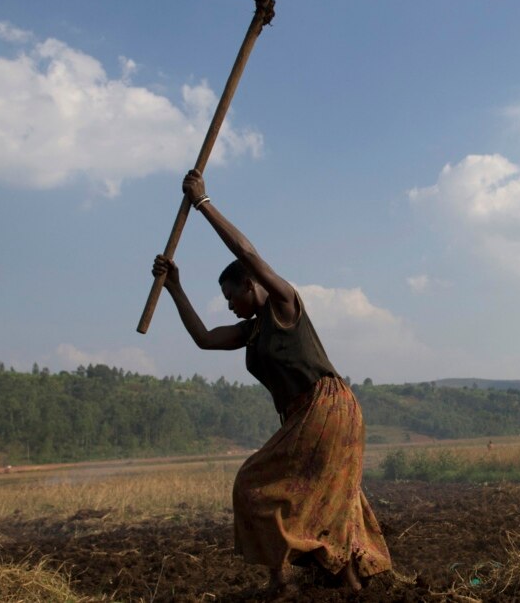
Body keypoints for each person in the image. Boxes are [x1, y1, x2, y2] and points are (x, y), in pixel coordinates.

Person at [152, 169, 391, 597]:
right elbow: (205, 339)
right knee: (327, 500)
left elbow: (246, 250)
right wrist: (175, 288)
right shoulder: (253, 328)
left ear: (251, 283)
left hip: (326, 407)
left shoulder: (284, 302)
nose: (230, 306)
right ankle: (349, 585)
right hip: (314, 415)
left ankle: (282, 582)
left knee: (253, 484)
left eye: (232, 297)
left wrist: (204, 204)